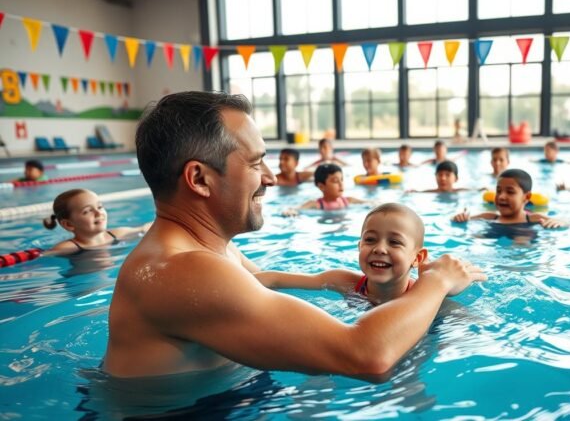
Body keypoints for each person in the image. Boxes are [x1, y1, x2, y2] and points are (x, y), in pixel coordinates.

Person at [103, 91, 486, 379]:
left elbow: (256, 285)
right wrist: (434, 281)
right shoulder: (182, 271)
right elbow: (366, 355)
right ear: (199, 179)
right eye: (255, 163)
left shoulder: (211, 254)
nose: (270, 178)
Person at [259, 204, 426, 306]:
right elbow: (275, 279)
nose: (379, 249)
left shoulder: (422, 296)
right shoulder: (346, 283)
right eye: (370, 240)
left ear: (417, 258)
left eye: (395, 242)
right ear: (359, 246)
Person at [43, 189, 150, 255]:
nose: (98, 213)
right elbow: (41, 256)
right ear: (69, 224)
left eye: (100, 206)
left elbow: (145, 228)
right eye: (87, 211)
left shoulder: (118, 234)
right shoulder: (68, 247)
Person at [451, 169, 566, 228]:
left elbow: (565, 222)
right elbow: (459, 219)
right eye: (498, 191)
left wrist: (559, 222)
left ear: (526, 197)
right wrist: (459, 217)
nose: (501, 196)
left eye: (510, 192)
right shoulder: (490, 216)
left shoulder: (533, 219)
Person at [283, 163, 370, 215]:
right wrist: (289, 211)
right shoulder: (316, 204)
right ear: (321, 186)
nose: (341, 184)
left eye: (342, 179)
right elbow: (295, 209)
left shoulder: (348, 200)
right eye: (335, 181)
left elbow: (370, 203)